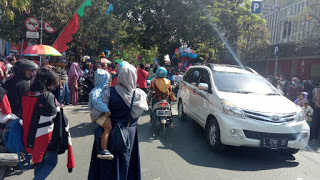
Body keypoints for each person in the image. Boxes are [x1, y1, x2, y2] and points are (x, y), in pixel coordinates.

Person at [88, 63, 148, 180]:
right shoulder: (139, 95)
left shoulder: (109, 92)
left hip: (110, 134)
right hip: (129, 133)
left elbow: (96, 114)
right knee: (126, 162)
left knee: (106, 165)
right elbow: (139, 113)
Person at [21, 67, 61, 179]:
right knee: (50, 162)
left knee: (39, 163)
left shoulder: (27, 95)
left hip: (29, 135)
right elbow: (53, 117)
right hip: (44, 136)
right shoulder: (47, 97)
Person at [89, 69, 113, 160]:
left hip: (97, 113)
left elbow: (90, 104)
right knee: (108, 128)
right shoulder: (98, 91)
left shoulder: (96, 89)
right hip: (100, 113)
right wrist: (106, 109)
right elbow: (96, 102)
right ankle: (104, 149)